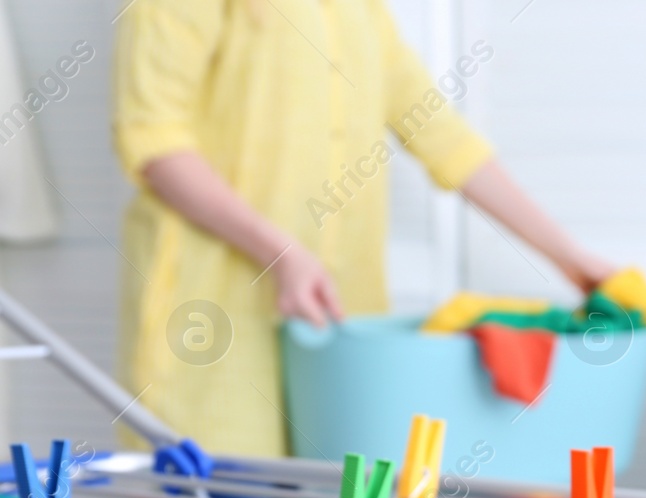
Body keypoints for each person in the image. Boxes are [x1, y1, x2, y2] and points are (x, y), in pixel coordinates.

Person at [113, 0, 613, 456]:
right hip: (216, 321)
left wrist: (567, 256)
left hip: (339, 326)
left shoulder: (361, 9)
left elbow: (441, 135)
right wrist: (283, 254)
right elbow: (153, 140)